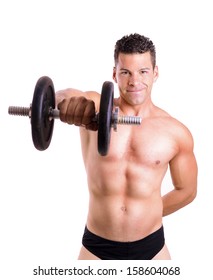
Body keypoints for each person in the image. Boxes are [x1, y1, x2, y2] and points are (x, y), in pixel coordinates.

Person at [56, 33, 198, 260]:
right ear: (115, 74)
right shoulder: (94, 110)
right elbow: (65, 96)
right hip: (97, 246)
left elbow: (187, 191)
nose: (134, 82)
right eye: (125, 72)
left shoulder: (175, 132)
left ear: (155, 73)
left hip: (152, 247)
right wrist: (66, 102)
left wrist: (148, 213)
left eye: (143, 72)